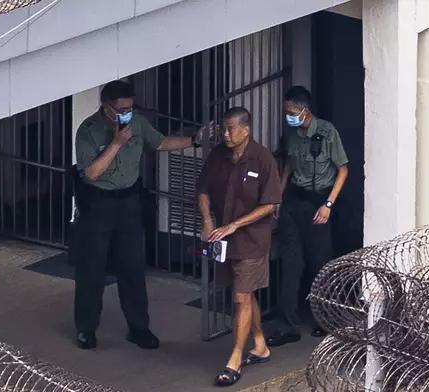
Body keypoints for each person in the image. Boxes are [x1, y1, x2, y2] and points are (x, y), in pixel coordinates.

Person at [73, 80, 211, 350]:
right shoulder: (88, 131)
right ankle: (86, 328)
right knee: (92, 268)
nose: (126, 113)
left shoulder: (138, 122)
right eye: (121, 109)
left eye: (130, 107)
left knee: (133, 266)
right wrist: (116, 142)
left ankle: (138, 327)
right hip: (99, 203)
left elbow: (159, 142)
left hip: (128, 201)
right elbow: (91, 174)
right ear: (107, 107)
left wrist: (194, 140)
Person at [197, 107, 282, 387]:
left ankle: (234, 359)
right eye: (224, 128)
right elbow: (204, 189)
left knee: (241, 297)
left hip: (253, 240)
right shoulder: (218, 155)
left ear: (246, 130)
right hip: (223, 239)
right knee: (244, 294)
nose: (225, 134)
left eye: (230, 129)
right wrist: (208, 221)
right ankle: (260, 345)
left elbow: (270, 203)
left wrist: (236, 224)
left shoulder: (263, 159)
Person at [266, 86, 349, 347]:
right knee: (291, 265)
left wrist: (328, 205)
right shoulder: (292, 133)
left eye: (292, 112)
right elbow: (289, 164)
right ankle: (288, 325)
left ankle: (324, 321)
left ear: (305, 110)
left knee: (320, 265)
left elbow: (343, 170)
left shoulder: (327, 132)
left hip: (318, 202)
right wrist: (278, 195)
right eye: (286, 112)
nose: (288, 116)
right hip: (294, 200)